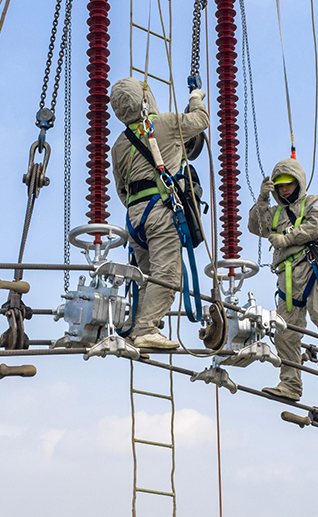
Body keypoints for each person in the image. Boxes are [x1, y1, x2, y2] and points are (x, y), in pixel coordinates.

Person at [110, 78, 208, 349]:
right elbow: (200, 120)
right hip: (161, 210)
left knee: (147, 276)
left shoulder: (119, 144)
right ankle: (147, 329)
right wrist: (196, 97)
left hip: (134, 217)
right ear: (146, 99)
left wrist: (139, 208)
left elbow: (121, 189)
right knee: (166, 274)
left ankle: (135, 330)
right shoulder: (163, 124)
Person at [247, 157, 318, 401]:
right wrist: (262, 201)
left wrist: (286, 239)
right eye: (280, 185)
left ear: (298, 183)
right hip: (286, 276)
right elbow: (257, 227)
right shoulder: (274, 212)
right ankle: (290, 385)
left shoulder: (311, 202)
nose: (285, 189)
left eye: (289, 183)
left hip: (310, 267)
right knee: (284, 331)